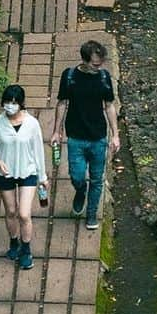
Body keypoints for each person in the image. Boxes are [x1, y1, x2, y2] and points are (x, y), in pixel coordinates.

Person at [50, 40, 120, 231]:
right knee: (76, 176)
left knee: (97, 179)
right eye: (95, 64)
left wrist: (115, 134)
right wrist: (57, 131)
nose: (99, 67)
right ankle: (80, 191)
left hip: (98, 137)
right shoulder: (70, 76)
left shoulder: (104, 78)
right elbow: (62, 103)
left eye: (101, 63)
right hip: (76, 137)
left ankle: (91, 214)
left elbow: (109, 105)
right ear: (84, 60)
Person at [0, 84, 47, 270]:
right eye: (7, 102)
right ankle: (14, 242)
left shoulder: (32, 123)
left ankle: (26, 250)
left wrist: (42, 177)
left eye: (13, 103)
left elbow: (38, 151)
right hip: (6, 173)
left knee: (24, 214)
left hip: (28, 171)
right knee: (10, 211)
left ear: (21, 103)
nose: (10, 106)